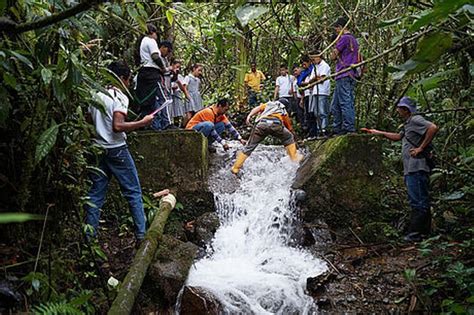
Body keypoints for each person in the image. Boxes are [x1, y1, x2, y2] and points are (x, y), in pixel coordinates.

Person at [85, 61, 154, 242]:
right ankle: (141, 236)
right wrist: (142, 123)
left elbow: (88, 120)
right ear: (122, 78)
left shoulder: (96, 95)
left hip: (97, 148)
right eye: (129, 80)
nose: (129, 84)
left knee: (95, 195)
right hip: (116, 149)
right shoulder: (119, 97)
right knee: (133, 191)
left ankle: (89, 240)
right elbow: (117, 126)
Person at [361, 97, 439, 242]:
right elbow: (399, 137)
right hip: (411, 167)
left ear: (405, 109)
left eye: (399, 108)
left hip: (416, 167)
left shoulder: (416, 120)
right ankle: (423, 233)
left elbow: (433, 127)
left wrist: (420, 148)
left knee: (418, 201)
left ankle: (415, 235)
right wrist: (379, 133)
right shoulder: (408, 123)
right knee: (419, 199)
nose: (397, 110)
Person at [231, 98, 303, 175]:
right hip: (276, 125)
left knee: (249, 146)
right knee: (288, 137)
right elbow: (289, 128)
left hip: (261, 125)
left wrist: (249, 116)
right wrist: (295, 138)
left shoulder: (269, 104)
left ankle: (235, 168)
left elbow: (258, 108)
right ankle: (294, 157)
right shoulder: (283, 109)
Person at [135, 24, 173, 130]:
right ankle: (167, 124)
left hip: (144, 72)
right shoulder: (150, 41)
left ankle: (147, 126)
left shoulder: (142, 42)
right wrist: (163, 68)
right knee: (164, 99)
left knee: (148, 101)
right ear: (153, 32)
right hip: (152, 74)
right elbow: (155, 56)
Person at [330, 16, 359, 135]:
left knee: (345, 101)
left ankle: (349, 127)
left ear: (341, 28)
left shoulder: (344, 38)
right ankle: (338, 128)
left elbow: (333, 56)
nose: (336, 31)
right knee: (335, 105)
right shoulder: (354, 40)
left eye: (337, 29)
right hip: (348, 74)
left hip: (344, 73)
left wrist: (334, 46)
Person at [302, 52, 331, 137]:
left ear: (319, 56)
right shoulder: (316, 67)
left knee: (322, 111)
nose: (313, 60)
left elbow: (321, 78)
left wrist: (315, 79)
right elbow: (310, 80)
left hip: (322, 91)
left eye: (314, 58)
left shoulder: (325, 66)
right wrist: (315, 78)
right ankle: (319, 130)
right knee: (316, 112)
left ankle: (324, 129)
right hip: (315, 91)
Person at [170, 60, 191, 127]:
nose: (178, 69)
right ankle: (169, 124)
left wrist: (178, 82)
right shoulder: (168, 75)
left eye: (179, 67)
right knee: (170, 111)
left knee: (177, 112)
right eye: (177, 67)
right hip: (170, 95)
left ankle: (177, 125)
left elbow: (183, 88)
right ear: (172, 65)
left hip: (177, 95)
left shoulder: (180, 76)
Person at [299, 55, 315, 138]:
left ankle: (313, 131)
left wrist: (307, 82)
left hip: (312, 93)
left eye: (304, 64)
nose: (303, 66)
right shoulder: (304, 72)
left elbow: (314, 79)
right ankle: (309, 131)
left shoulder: (313, 68)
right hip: (306, 94)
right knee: (307, 113)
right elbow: (299, 82)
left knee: (312, 112)